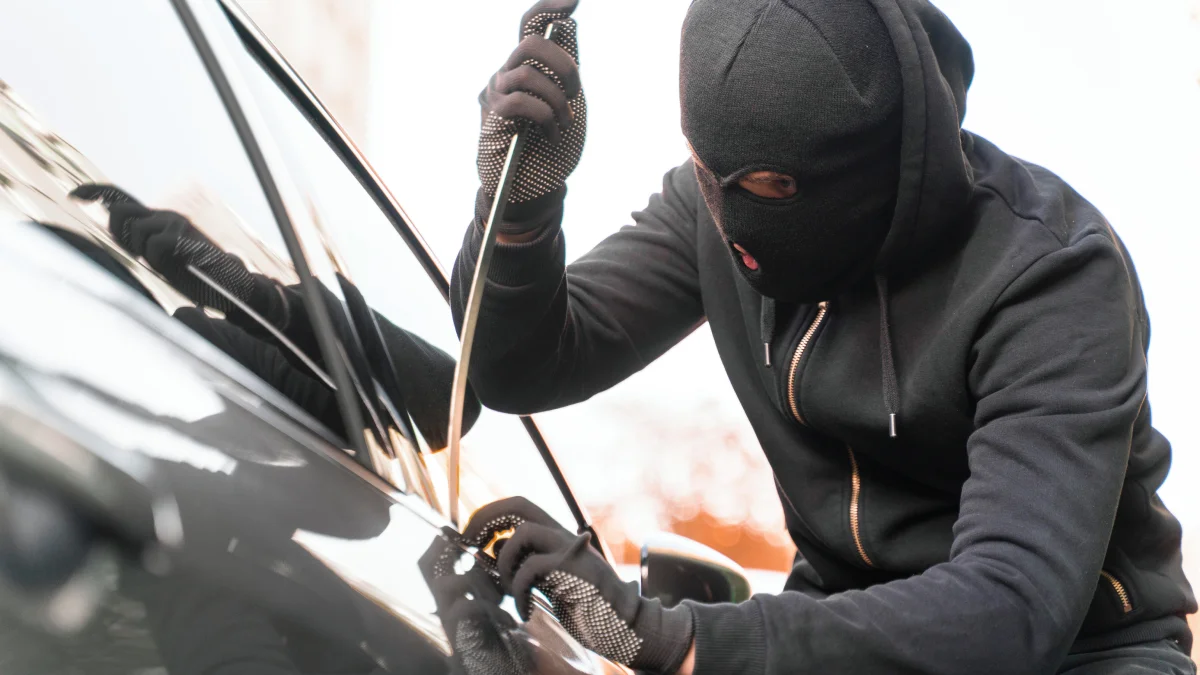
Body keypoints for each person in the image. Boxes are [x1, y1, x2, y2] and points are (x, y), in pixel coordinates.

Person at [449, 1, 1196, 673]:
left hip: (1082, 651)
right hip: (835, 626)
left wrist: (681, 640)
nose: (734, 219)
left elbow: (1013, 606)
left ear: (877, 159)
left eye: (771, 186)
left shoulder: (1050, 271)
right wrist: (519, 210)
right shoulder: (709, 209)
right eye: (710, 170)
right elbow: (520, 370)